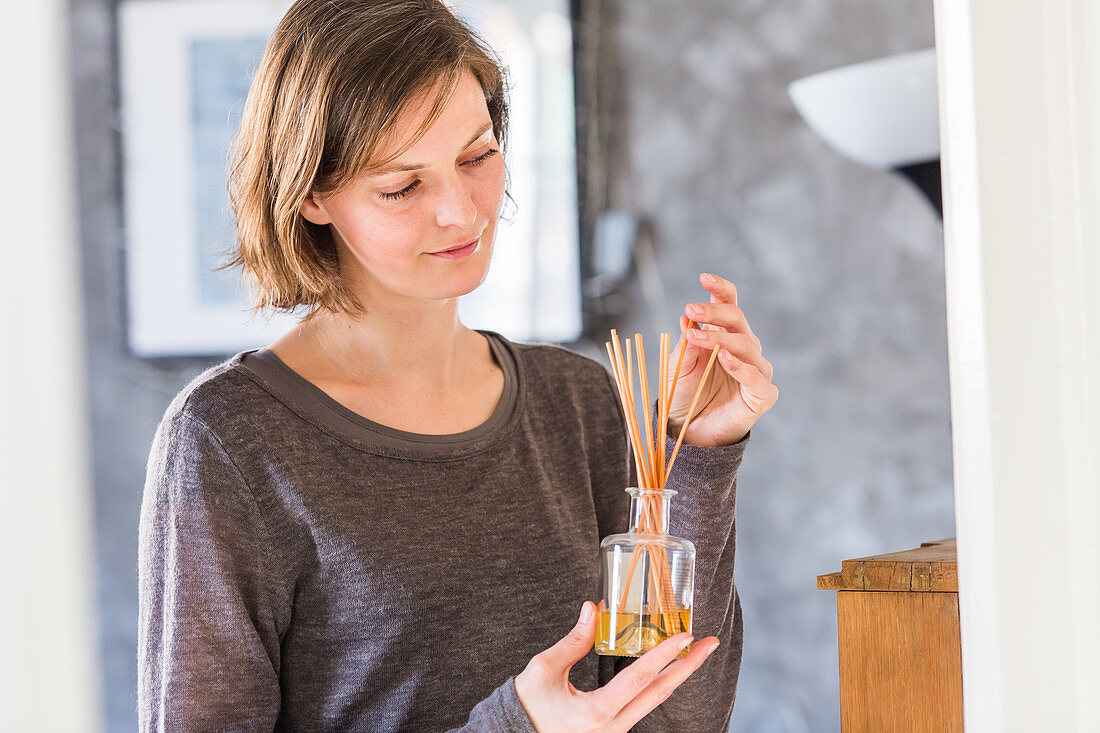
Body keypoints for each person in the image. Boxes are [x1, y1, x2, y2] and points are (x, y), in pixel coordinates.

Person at [136, 0, 778, 730]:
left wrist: (697, 455)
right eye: (402, 185)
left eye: (476, 157)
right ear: (312, 195)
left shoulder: (578, 401)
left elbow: (677, 717)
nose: (462, 213)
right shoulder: (229, 439)